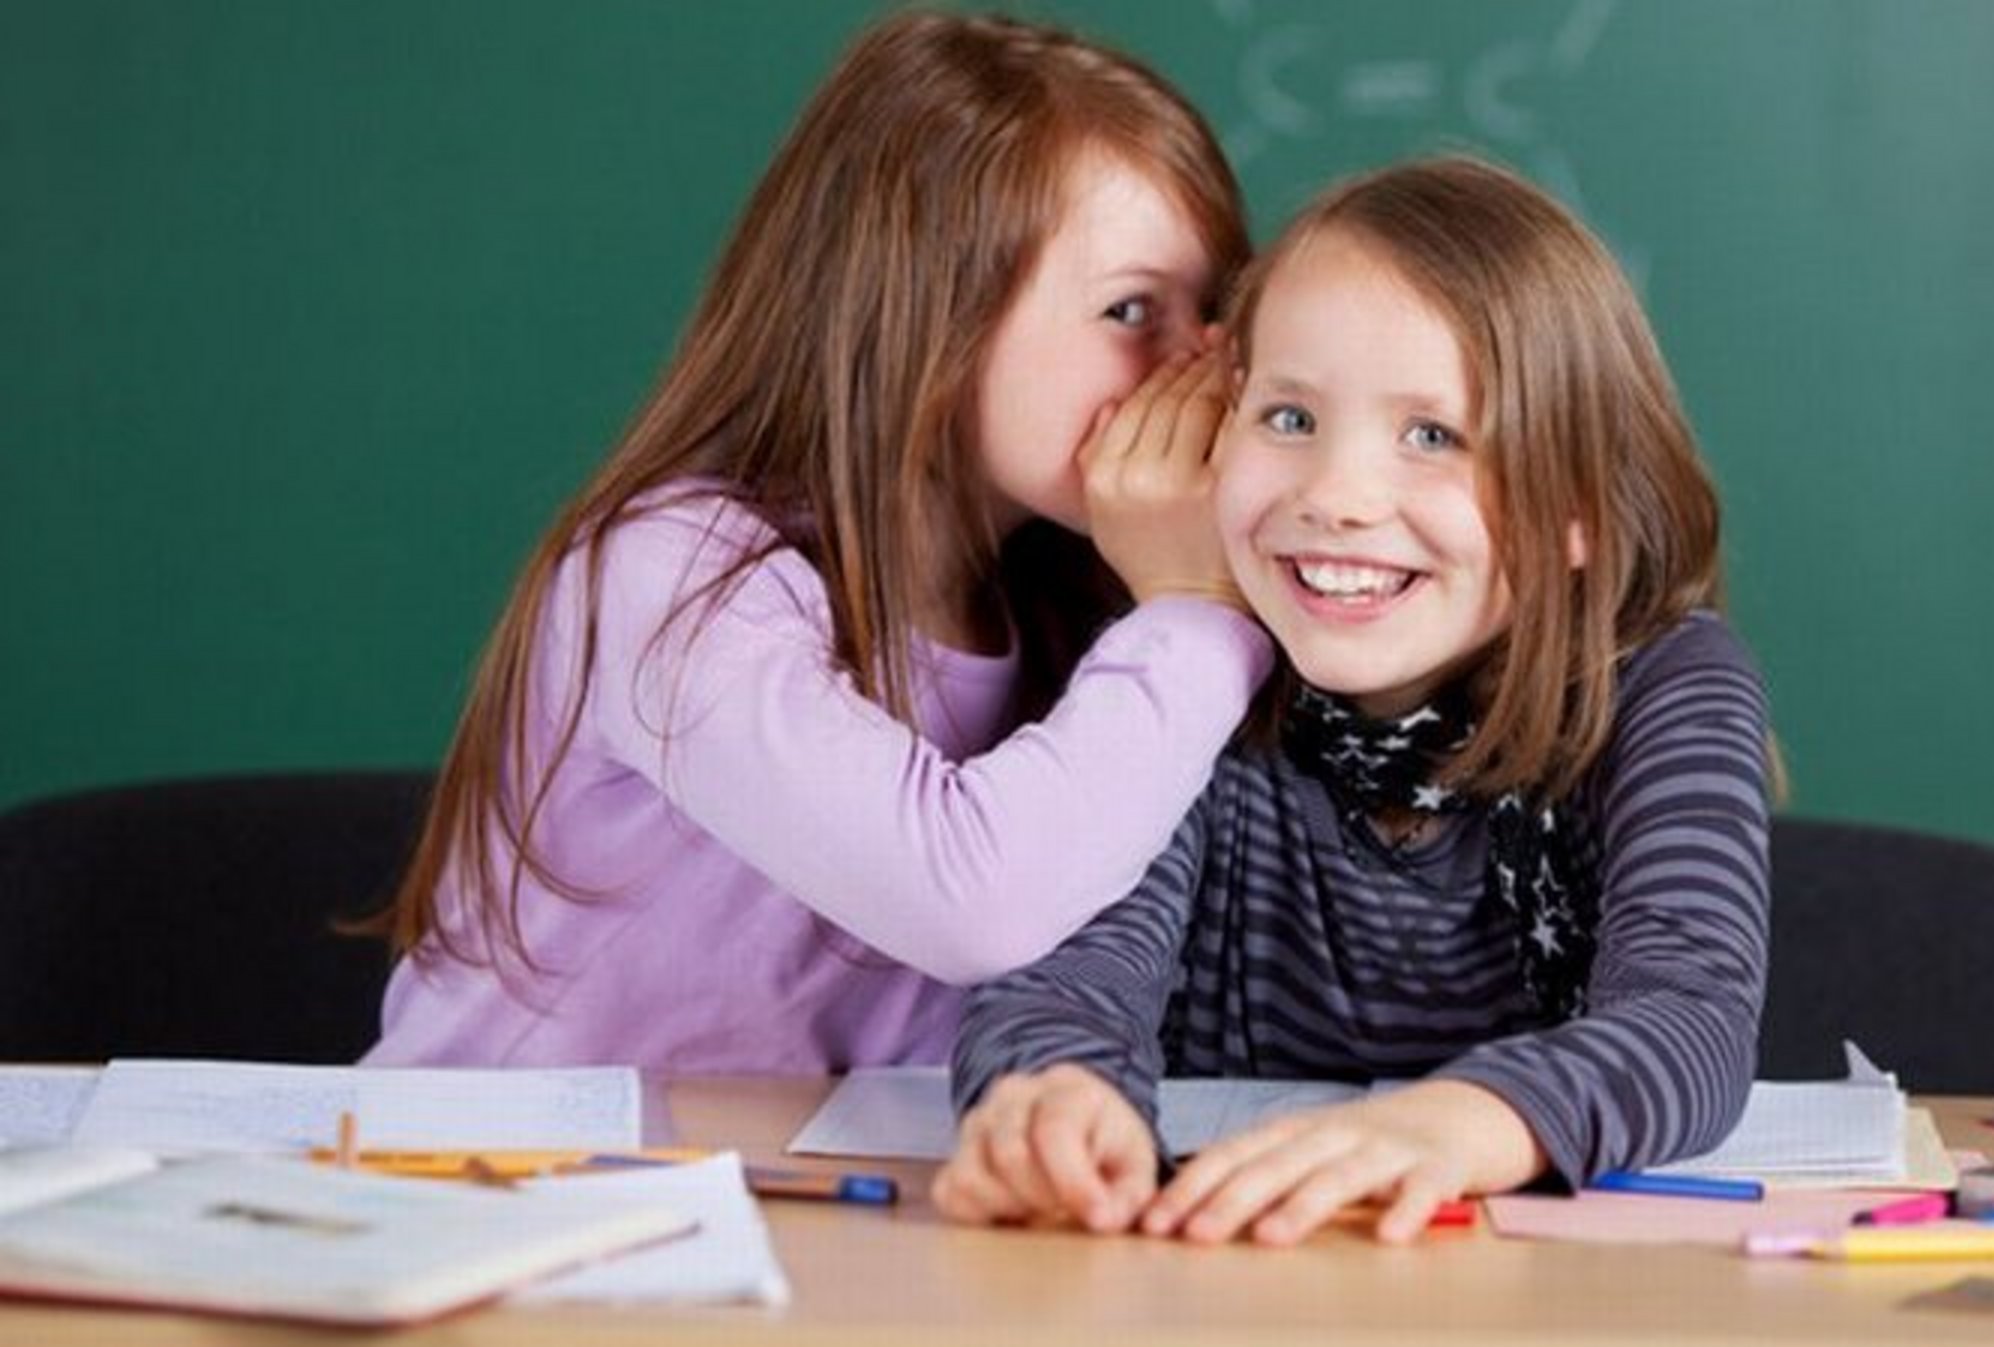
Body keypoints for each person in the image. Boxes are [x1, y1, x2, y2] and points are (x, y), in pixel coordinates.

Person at [362, 12, 1273, 1072]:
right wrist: (1196, 613)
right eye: (1130, 311)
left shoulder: (1079, 610)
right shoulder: (673, 573)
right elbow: (969, 904)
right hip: (507, 1198)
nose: (1197, 372)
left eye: (1210, 315)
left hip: (823, 1199)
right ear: (928, 313)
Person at [935, 156, 1773, 1246]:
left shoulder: (1664, 683)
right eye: (1288, 418)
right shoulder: (1184, 670)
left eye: (1434, 436)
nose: (1335, 497)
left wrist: (1450, 1130)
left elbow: (1689, 1022)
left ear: (1578, 510)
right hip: (1219, 1278)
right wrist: (1057, 1102)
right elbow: (1068, 979)